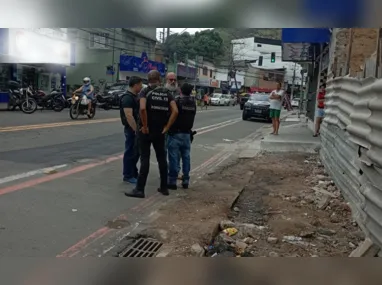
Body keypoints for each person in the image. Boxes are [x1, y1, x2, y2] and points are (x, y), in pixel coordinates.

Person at [125, 70, 178, 199]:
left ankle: (140, 189)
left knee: (145, 159)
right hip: (160, 131)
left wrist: (144, 125)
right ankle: (164, 187)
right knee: (161, 159)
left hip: (146, 131)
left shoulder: (145, 91)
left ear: (148, 80)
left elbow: (142, 108)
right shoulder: (167, 93)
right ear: (159, 79)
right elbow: (175, 111)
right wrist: (167, 127)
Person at [167, 83, 197, 190]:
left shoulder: (177, 101)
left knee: (173, 158)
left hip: (175, 133)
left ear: (180, 90)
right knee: (186, 157)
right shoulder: (193, 103)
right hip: (187, 134)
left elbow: (171, 114)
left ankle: (172, 181)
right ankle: (186, 180)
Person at [120, 76, 143, 184]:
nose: (142, 87)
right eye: (140, 84)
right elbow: (129, 116)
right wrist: (136, 130)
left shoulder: (135, 96)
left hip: (136, 129)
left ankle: (134, 172)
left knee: (136, 152)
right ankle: (127, 175)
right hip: (131, 129)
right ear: (135, 85)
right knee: (130, 152)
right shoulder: (127, 98)